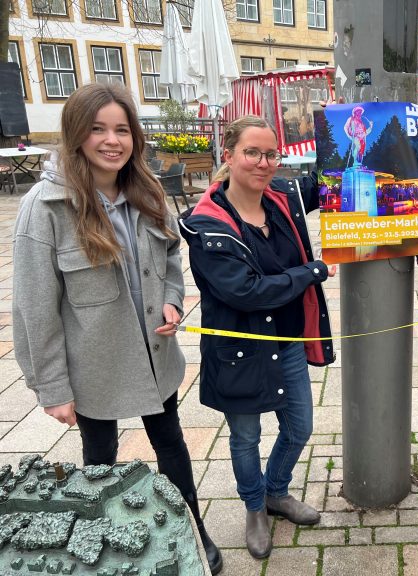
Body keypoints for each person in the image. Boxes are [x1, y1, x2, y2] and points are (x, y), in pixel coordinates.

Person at [12, 83, 222, 574]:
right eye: (98, 128)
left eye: (122, 129)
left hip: (155, 357)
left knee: (170, 442)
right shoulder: (45, 209)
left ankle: (193, 528)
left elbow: (171, 253)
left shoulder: (145, 188)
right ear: (77, 134)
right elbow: (34, 309)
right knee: (99, 457)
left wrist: (172, 300)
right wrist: (52, 387)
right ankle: (101, 549)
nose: (112, 140)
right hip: (94, 368)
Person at [179, 116, 335, 560]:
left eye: (271, 154)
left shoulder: (283, 199)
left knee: (300, 426)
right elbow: (245, 292)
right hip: (239, 350)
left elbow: (326, 178)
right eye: (252, 152)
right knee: (246, 436)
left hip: (285, 340)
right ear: (228, 155)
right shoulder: (207, 225)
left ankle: (275, 491)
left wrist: (338, 125)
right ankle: (254, 509)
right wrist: (314, 271)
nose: (263, 163)